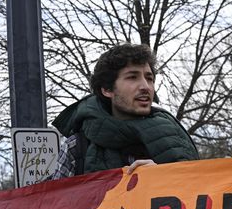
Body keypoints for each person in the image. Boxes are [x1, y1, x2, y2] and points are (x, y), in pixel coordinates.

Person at [51, 44, 200, 178]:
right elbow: (57, 205)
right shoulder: (76, 147)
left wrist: (162, 180)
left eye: (149, 78)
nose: (145, 86)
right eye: (132, 77)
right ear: (107, 89)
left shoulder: (176, 140)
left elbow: (199, 197)